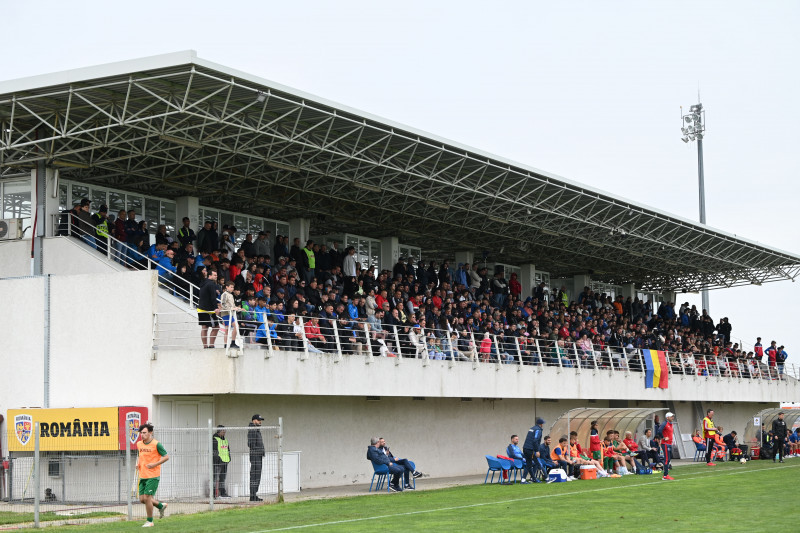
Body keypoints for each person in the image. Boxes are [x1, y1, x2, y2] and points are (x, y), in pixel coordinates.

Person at [136, 422, 169, 527]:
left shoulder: (156, 444)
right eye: (141, 433)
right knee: (142, 499)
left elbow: (166, 457)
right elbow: (141, 456)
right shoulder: (139, 444)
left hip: (153, 475)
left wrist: (154, 464)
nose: (142, 435)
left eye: (144, 432)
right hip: (143, 475)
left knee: (147, 498)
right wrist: (138, 464)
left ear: (150, 432)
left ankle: (150, 521)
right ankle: (160, 505)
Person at [198, 269, 220, 349]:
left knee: (204, 327)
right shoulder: (211, 284)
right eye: (214, 275)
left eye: (216, 275)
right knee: (216, 327)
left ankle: (205, 346)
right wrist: (216, 308)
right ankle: (211, 345)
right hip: (208, 309)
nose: (216, 277)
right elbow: (212, 297)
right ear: (210, 275)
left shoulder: (203, 282)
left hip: (201, 308)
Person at [248, 414, 265, 501]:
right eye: (258, 420)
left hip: (258, 455)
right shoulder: (252, 430)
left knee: (257, 475)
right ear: (254, 420)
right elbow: (250, 444)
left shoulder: (256, 430)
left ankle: (254, 494)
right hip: (255, 456)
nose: (260, 422)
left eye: (260, 420)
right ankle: (252, 495)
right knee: (254, 475)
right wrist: (257, 450)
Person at [219, 280, 241, 349]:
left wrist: (239, 309)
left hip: (230, 313)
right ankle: (232, 342)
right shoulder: (224, 294)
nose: (232, 288)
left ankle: (228, 344)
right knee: (235, 326)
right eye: (231, 287)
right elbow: (223, 304)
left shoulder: (231, 295)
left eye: (233, 287)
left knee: (228, 329)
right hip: (226, 313)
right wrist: (232, 308)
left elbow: (233, 306)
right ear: (227, 287)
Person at [522, 418, 545, 483]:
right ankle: (546, 477)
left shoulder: (532, 428)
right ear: (541, 424)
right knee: (536, 463)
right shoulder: (538, 430)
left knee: (529, 464)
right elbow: (535, 440)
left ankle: (532, 479)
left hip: (525, 448)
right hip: (530, 449)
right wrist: (537, 451)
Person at [212, 425, 231, 498]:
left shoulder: (225, 440)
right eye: (223, 431)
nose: (224, 433)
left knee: (222, 478)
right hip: (218, 462)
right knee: (215, 477)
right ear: (219, 431)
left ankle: (222, 492)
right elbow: (214, 452)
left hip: (225, 461)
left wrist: (229, 458)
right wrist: (219, 460)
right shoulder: (215, 439)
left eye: (225, 431)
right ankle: (214, 494)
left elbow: (228, 450)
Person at [661, 412, 675, 480]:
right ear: (667, 417)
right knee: (666, 459)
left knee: (668, 459)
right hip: (665, 444)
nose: (672, 418)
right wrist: (663, 437)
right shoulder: (664, 423)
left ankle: (666, 474)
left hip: (669, 443)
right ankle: (665, 475)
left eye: (672, 416)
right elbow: (659, 431)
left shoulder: (671, 424)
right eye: (671, 416)